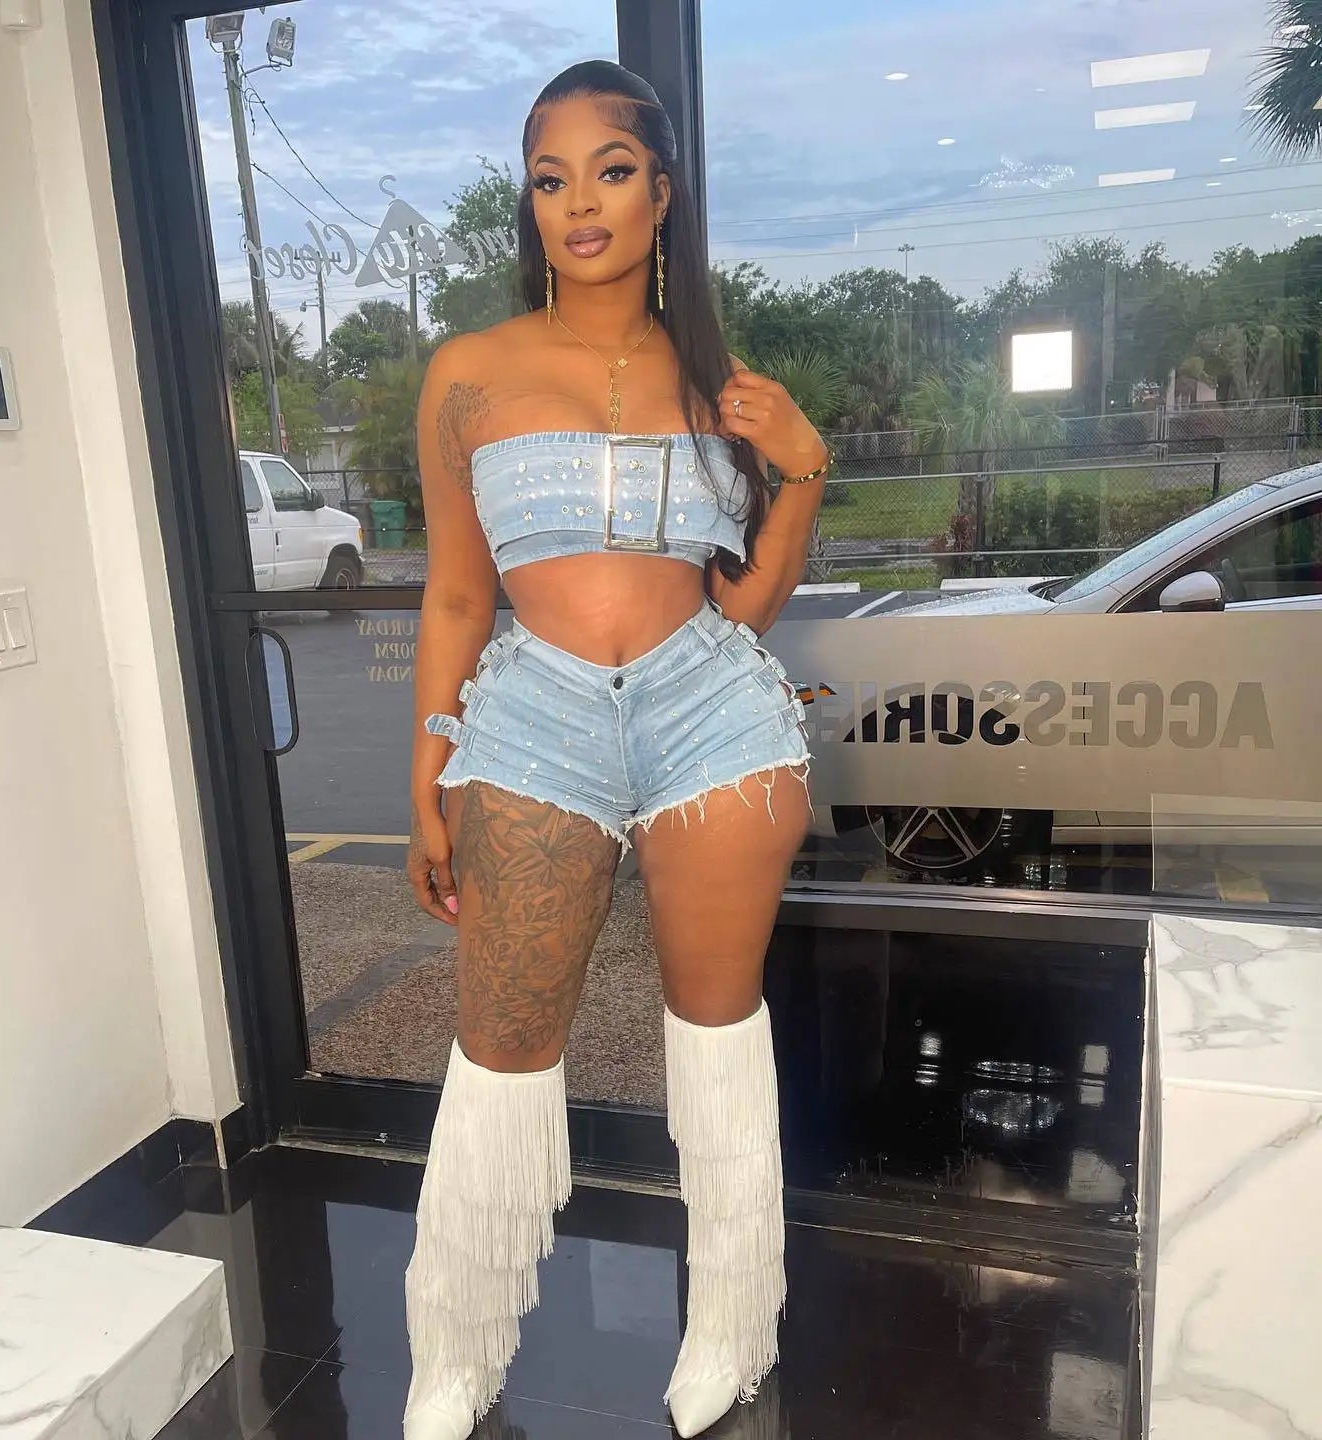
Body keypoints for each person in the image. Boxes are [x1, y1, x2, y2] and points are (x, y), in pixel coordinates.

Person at [403, 59, 830, 1440]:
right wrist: (428, 771)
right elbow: (457, 595)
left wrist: (804, 470)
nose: (579, 203)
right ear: (528, 203)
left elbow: (744, 606)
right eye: (551, 178)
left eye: (611, 170)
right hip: (531, 723)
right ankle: (456, 1349)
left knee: (717, 1035)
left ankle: (731, 1330)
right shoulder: (468, 375)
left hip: (713, 715)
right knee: (501, 1045)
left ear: (663, 191)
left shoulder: (724, 385)